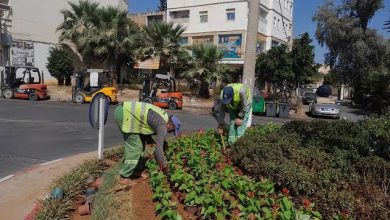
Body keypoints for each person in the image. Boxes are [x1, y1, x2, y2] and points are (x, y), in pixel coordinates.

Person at [114, 101, 181, 185]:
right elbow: (158, 151)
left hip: (126, 112)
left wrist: (150, 141)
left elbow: (147, 124)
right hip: (125, 113)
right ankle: (124, 177)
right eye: (172, 131)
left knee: (141, 144)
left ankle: (136, 171)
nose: (169, 132)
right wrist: (165, 168)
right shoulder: (162, 126)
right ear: (170, 125)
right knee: (136, 147)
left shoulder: (162, 117)